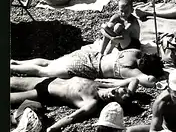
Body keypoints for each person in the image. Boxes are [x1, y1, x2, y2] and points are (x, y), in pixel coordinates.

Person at [10, 75, 142, 132]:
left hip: (44, 93)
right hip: (50, 80)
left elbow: (71, 117)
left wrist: (54, 127)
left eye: (112, 99)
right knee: (11, 80)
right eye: (113, 92)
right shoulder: (104, 85)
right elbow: (134, 80)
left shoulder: (92, 103)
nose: (110, 95)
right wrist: (127, 93)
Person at [10, 48, 163, 87]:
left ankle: (15, 62)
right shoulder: (130, 70)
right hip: (87, 67)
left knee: (49, 62)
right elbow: (149, 81)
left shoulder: (135, 52)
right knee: (42, 71)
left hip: (87, 55)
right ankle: (12, 68)